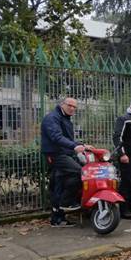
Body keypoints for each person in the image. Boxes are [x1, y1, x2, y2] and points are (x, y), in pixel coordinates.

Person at [41, 97, 92, 227]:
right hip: (56, 154)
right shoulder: (52, 118)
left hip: (63, 154)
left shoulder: (64, 118)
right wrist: (74, 147)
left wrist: (82, 145)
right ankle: (66, 203)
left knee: (59, 184)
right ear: (62, 104)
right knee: (79, 172)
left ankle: (58, 218)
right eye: (69, 105)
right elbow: (56, 137)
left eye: (75, 107)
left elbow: (67, 139)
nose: (72, 108)